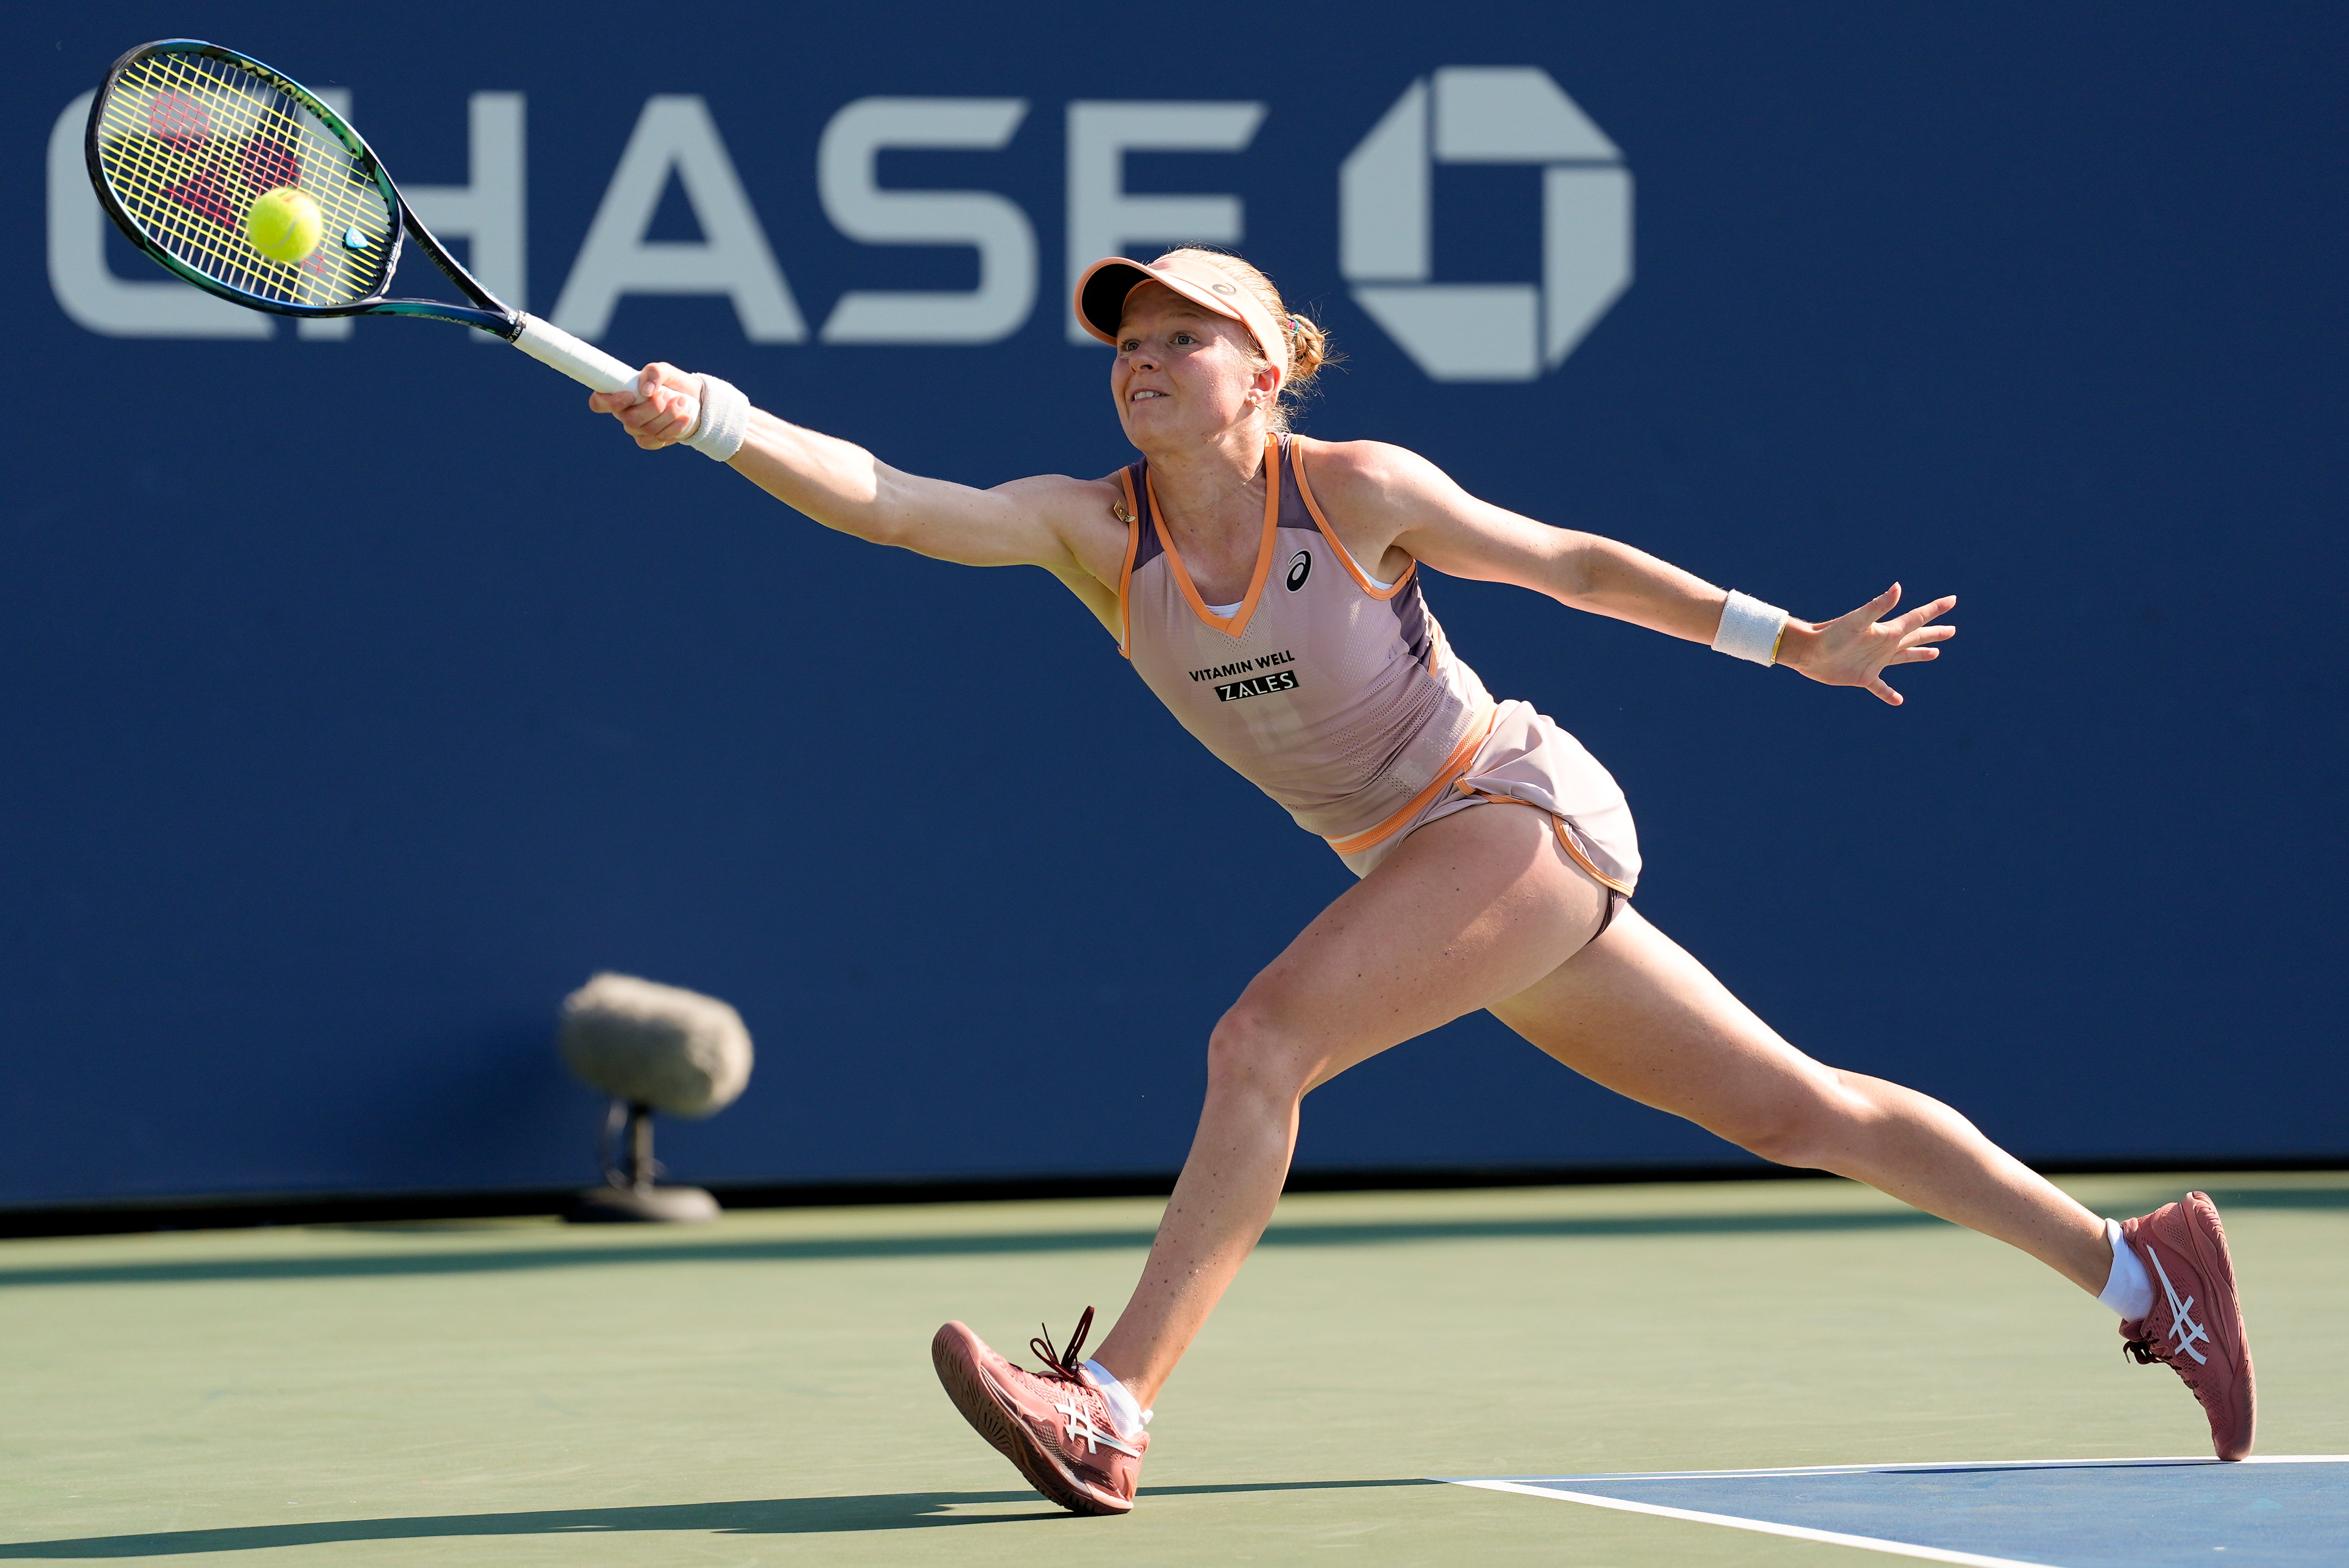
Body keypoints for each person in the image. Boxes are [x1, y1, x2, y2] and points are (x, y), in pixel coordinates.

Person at [588, 247, 2254, 1516]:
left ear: (1267, 374)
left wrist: (1787, 642)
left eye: (1186, 337)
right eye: (1128, 342)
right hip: (1413, 859)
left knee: (1264, 1042)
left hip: (1509, 805)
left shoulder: (1356, 490)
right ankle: (2138, 1265)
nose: (1145, 361)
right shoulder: (1095, 531)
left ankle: (1114, 1401)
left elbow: (1569, 565)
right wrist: (717, 420)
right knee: (1791, 1111)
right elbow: (894, 505)